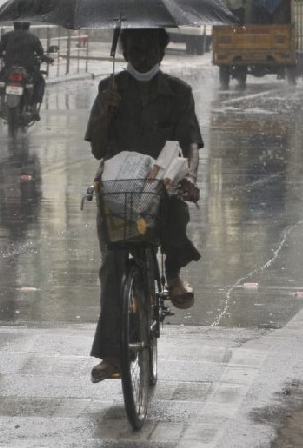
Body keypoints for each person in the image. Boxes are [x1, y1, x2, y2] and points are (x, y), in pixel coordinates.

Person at [85, 27, 202, 384]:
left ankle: (175, 273)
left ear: (161, 52)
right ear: (124, 52)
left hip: (162, 182)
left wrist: (189, 176)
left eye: (149, 49)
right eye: (134, 49)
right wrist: (105, 112)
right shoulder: (109, 89)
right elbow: (97, 148)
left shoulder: (179, 92)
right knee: (113, 267)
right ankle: (112, 355)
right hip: (119, 186)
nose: (142, 56)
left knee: (175, 213)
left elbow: (191, 142)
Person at [0, 21, 50, 119]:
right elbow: (40, 52)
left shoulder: (7, 36)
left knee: (2, 77)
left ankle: (1, 103)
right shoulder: (33, 38)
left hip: (10, 67)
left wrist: (1, 55)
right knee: (40, 81)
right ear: (28, 26)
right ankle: (34, 107)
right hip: (28, 68)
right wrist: (44, 57)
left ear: (14, 26)